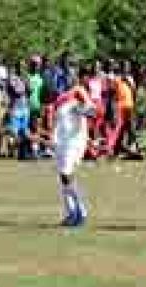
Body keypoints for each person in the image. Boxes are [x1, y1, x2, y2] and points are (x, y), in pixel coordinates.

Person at [51, 67, 96, 226]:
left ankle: (81, 210)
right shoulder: (61, 97)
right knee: (63, 178)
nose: (69, 78)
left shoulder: (78, 92)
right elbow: (58, 119)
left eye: (72, 76)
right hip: (61, 142)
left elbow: (91, 111)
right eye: (67, 76)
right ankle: (71, 213)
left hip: (73, 142)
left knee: (66, 174)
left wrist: (82, 109)